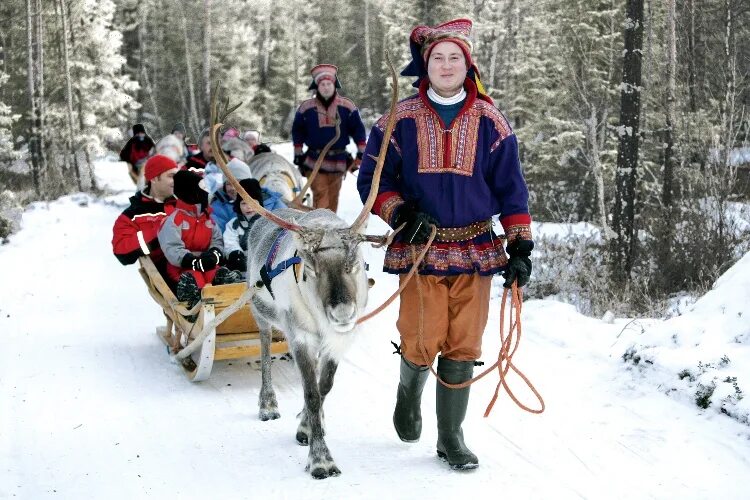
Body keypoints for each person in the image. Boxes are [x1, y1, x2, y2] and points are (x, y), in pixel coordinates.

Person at [356, 18, 534, 471]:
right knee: (421, 336)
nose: (448, 64)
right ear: (425, 65)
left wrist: (519, 248)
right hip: (420, 247)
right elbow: (373, 181)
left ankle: (451, 437)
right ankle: (408, 396)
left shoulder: (492, 122)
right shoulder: (397, 120)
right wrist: (399, 213)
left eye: (456, 57)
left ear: (467, 63)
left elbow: (512, 189)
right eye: (439, 57)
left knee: (464, 343)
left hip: (476, 247)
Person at [157, 170, 241, 309]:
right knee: (195, 278)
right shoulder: (173, 220)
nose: (205, 192)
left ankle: (229, 297)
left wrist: (214, 254)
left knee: (216, 275)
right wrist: (193, 261)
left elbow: (217, 240)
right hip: (182, 267)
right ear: (189, 191)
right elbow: (172, 248)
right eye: (201, 188)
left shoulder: (207, 217)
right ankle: (195, 307)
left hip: (207, 263)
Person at [291, 64, 367, 212]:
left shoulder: (347, 106)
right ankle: (319, 227)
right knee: (321, 196)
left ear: (334, 85)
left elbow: (358, 130)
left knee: (333, 198)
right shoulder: (306, 108)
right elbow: (297, 131)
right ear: (317, 87)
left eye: (329, 84)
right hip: (314, 160)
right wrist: (298, 153)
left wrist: (361, 153)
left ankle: (328, 230)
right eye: (323, 84)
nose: (326, 87)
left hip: (338, 160)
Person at [112, 154, 178, 277]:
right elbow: (122, 253)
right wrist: (159, 233)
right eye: (171, 176)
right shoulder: (133, 215)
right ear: (154, 178)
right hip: (167, 275)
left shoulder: (185, 204)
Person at [223, 178, 264, 273]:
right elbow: (230, 241)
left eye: (252, 203)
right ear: (238, 205)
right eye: (244, 203)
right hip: (240, 264)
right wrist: (235, 253)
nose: (248, 207)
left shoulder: (266, 223)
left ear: (259, 203)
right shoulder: (233, 224)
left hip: (261, 263)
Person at [209, 158, 254, 233]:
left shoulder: (269, 200)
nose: (233, 188)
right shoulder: (217, 207)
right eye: (229, 184)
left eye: (238, 183)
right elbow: (219, 234)